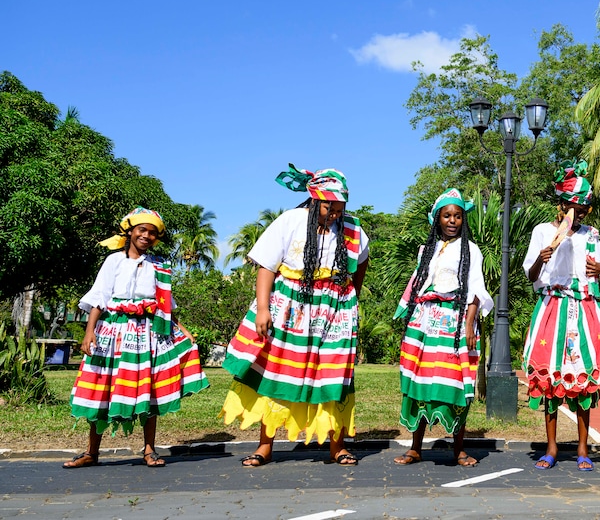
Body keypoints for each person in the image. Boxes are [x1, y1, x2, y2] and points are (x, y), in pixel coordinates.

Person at [221, 165, 369, 467]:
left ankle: (336, 446)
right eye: (330, 206)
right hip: (290, 309)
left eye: (340, 207)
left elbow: (360, 266)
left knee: (333, 376)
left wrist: (347, 300)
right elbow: (266, 266)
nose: (335, 213)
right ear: (315, 199)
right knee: (276, 374)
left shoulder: (353, 230)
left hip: (332, 314)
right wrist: (263, 309)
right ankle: (264, 446)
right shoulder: (291, 221)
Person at [63, 207, 209, 469]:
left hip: (148, 334)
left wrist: (183, 329)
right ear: (130, 231)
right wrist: (89, 332)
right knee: (102, 388)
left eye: (152, 233)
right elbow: (100, 297)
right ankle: (91, 452)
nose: (147, 236)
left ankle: (149, 450)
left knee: (147, 390)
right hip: (113, 333)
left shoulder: (158, 266)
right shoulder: (113, 261)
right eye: (142, 230)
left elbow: (165, 304)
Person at [522, 160, 600, 472]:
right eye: (571, 207)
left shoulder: (590, 234)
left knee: (583, 378)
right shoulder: (543, 232)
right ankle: (551, 447)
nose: (576, 214)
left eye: (582, 209)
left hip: (584, 311)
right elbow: (531, 274)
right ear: (561, 204)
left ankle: (582, 447)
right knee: (550, 377)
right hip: (553, 308)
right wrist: (542, 259)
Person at [392, 188, 492, 468]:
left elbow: (475, 287)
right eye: (447, 215)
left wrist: (470, 324)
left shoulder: (471, 249)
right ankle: (415, 448)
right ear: (437, 219)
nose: (452, 221)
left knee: (455, 385)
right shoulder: (426, 250)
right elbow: (417, 284)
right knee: (419, 384)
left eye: (457, 216)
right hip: (424, 324)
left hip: (455, 323)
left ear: (463, 219)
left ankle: (459, 449)